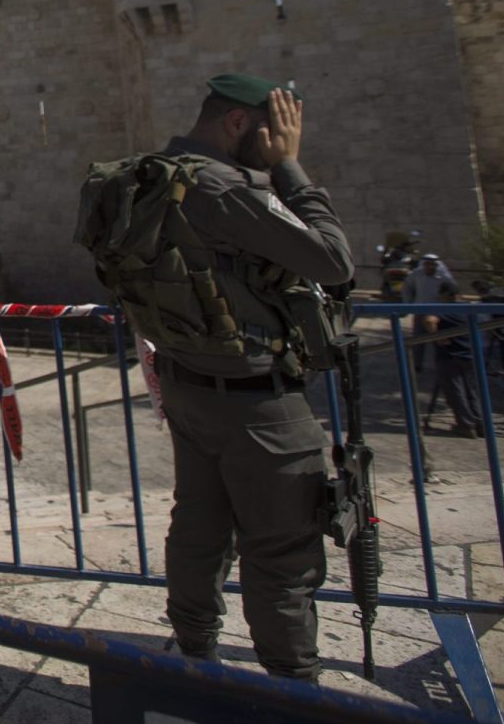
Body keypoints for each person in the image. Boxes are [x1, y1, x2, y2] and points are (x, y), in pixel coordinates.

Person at [151, 73, 353, 682]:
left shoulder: (151, 176)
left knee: (198, 530)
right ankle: (292, 692)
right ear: (238, 125)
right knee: (284, 553)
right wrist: (290, 168)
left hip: (187, 385)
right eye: (273, 133)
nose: (277, 144)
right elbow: (333, 261)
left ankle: (193, 660)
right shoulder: (221, 186)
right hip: (256, 401)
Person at [421, 283, 486, 435]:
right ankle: (481, 424)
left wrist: (437, 338)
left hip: (450, 355)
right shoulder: (470, 309)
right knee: (473, 392)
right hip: (471, 354)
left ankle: (466, 425)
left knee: (456, 392)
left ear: (446, 294)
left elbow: (429, 321)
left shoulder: (443, 308)